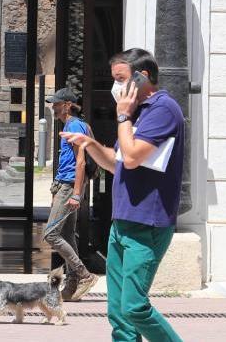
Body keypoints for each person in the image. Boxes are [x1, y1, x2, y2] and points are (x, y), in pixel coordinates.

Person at [61, 48, 185, 342]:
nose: (115, 87)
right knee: (119, 315)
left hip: (147, 225)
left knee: (134, 307)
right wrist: (90, 144)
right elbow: (117, 163)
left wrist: (121, 116)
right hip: (123, 223)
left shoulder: (163, 110)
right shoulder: (137, 113)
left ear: (142, 78)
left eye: (121, 79)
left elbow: (131, 157)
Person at [42, 87, 99, 301]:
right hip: (63, 185)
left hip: (68, 186)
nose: (53, 108)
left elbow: (81, 161)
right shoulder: (72, 125)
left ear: (67, 105)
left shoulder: (75, 125)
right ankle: (72, 284)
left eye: (56, 104)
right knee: (66, 235)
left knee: (50, 234)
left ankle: (84, 275)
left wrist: (76, 193)